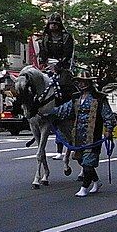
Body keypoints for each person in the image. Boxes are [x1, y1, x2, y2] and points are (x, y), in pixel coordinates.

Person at [49, 69, 117, 197]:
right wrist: (50, 112)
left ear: (89, 83)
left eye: (84, 82)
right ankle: (96, 182)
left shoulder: (99, 98)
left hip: (92, 135)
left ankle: (84, 187)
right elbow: (64, 110)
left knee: (88, 162)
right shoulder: (76, 98)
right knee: (80, 159)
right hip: (77, 135)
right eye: (79, 82)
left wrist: (108, 129)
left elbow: (108, 115)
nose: (81, 84)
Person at [37, 13, 76, 159]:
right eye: (51, 23)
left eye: (55, 23)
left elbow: (68, 54)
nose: (53, 26)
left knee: (64, 84)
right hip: (47, 64)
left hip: (62, 66)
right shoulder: (45, 38)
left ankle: (66, 107)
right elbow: (42, 53)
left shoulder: (66, 37)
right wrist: (44, 63)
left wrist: (58, 66)